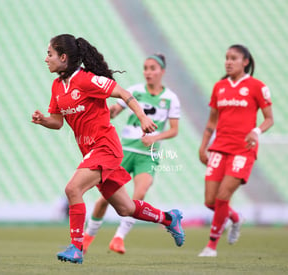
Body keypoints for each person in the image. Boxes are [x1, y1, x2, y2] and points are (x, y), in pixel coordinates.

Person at [32, 34, 185, 264]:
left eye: (50, 54)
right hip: (92, 151)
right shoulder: (57, 86)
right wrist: (43, 120)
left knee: (73, 189)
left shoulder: (86, 80)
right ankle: (169, 218)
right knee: (126, 208)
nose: (46, 59)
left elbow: (124, 94)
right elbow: (57, 121)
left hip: (105, 147)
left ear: (63, 57)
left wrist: (142, 118)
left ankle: (76, 247)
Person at [83, 54, 181, 255]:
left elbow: (174, 130)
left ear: (162, 71)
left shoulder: (170, 98)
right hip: (125, 151)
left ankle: (119, 238)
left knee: (140, 193)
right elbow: (116, 110)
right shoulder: (135, 91)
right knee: (104, 199)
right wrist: (109, 111)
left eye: (153, 68)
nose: (148, 72)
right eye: (145, 68)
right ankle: (86, 239)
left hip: (147, 155)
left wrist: (154, 138)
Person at [197, 45, 273, 257]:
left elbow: (269, 119)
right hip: (219, 148)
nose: (228, 62)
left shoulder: (257, 86)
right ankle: (236, 218)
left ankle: (211, 245)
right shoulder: (219, 87)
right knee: (210, 201)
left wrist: (256, 131)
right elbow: (212, 121)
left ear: (245, 62)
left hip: (243, 150)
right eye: (226, 58)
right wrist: (203, 146)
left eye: (234, 58)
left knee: (223, 196)